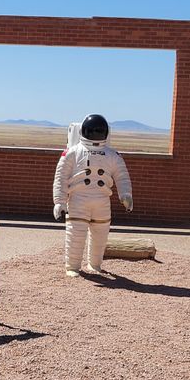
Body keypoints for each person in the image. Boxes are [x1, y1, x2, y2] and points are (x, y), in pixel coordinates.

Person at [52, 114, 133, 277]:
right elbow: (61, 178)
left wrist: (126, 194)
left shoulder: (113, 156)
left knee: (100, 235)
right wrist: (59, 201)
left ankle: (95, 264)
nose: (95, 134)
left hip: (101, 200)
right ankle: (72, 266)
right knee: (76, 234)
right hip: (78, 199)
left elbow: (122, 176)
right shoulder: (72, 153)